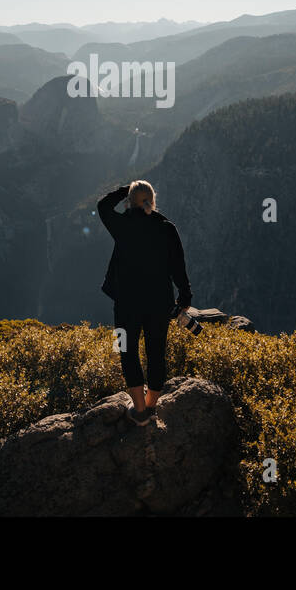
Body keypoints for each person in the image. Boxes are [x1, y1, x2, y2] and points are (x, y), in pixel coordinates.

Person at [97, 180, 192, 425]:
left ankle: (138, 410)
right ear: (153, 201)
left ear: (129, 202)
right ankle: (151, 406)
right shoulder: (167, 228)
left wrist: (123, 190)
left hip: (126, 303)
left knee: (127, 351)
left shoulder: (122, 225)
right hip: (160, 303)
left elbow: (103, 206)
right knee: (156, 352)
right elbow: (178, 268)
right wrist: (184, 298)